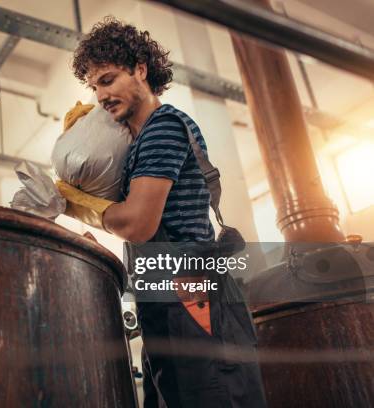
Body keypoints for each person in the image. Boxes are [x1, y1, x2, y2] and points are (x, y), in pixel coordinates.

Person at [57, 16, 267, 407]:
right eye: (93, 86)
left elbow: (137, 224)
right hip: (163, 296)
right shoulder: (135, 143)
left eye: (107, 79)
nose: (100, 95)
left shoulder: (162, 126)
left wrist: (78, 205)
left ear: (140, 68)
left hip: (192, 290)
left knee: (210, 396)